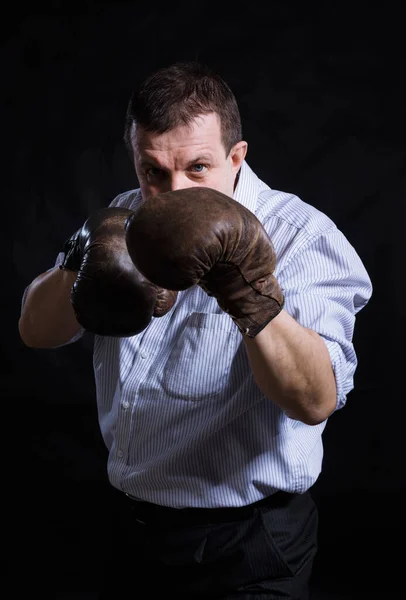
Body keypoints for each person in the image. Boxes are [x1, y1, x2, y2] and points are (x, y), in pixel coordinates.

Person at [19, 61, 372, 599]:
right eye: (152, 171)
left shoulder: (301, 235)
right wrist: (81, 258)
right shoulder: (125, 213)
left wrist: (246, 294)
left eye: (198, 168)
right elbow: (36, 332)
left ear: (237, 157)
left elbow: (315, 400)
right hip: (133, 530)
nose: (173, 191)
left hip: (249, 545)